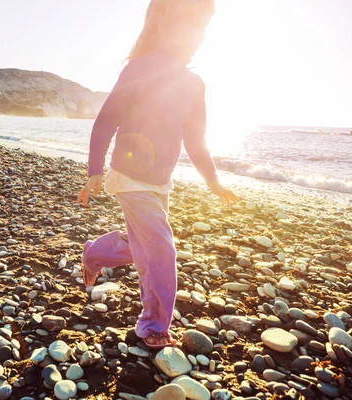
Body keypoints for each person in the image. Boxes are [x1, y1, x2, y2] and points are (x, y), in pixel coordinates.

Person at [77, 0, 238, 349]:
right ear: (163, 25)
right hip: (129, 175)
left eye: (202, 24)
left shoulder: (195, 84)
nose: (196, 32)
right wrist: (95, 171)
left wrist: (213, 181)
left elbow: (196, 141)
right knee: (161, 249)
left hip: (160, 180)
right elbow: (106, 121)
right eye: (188, 22)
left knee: (142, 246)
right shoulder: (139, 69)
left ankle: (93, 254)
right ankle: (152, 325)